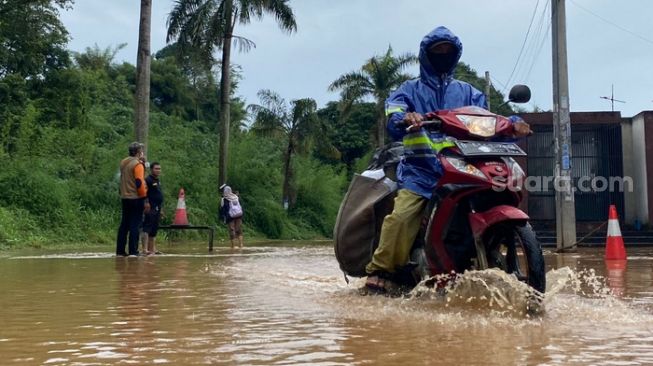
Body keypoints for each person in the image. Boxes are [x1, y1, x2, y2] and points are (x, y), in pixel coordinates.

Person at [365, 26, 531, 291]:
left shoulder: (469, 93)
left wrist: (515, 122)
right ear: (426, 56)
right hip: (422, 172)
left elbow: (488, 122)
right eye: (437, 51)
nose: (443, 55)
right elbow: (394, 116)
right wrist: (405, 117)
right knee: (402, 217)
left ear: (456, 56)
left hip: (464, 168)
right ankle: (381, 271)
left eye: (448, 51)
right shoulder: (408, 90)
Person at [116, 142, 148, 256]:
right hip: (136, 197)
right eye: (141, 151)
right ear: (138, 152)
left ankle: (120, 251)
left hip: (125, 197)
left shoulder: (124, 162)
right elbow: (139, 182)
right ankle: (133, 251)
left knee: (124, 224)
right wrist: (144, 197)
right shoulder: (137, 165)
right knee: (135, 224)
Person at [141, 162, 164, 255]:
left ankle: (152, 249)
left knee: (154, 229)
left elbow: (159, 195)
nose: (158, 170)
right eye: (156, 169)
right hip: (150, 207)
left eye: (159, 169)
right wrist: (146, 202)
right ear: (151, 169)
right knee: (147, 227)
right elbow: (144, 192)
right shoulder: (148, 180)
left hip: (157, 208)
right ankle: (144, 249)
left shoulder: (157, 180)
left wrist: (161, 209)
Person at [219, 185, 244, 249]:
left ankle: (233, 246)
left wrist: (222, 217)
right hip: (239, 215)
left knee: (232, 230)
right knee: (239, 229)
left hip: (230, 216)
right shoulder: (236, 197)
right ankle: (241, 245)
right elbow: (240, 206)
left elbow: (223, 209)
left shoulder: (224, 199)